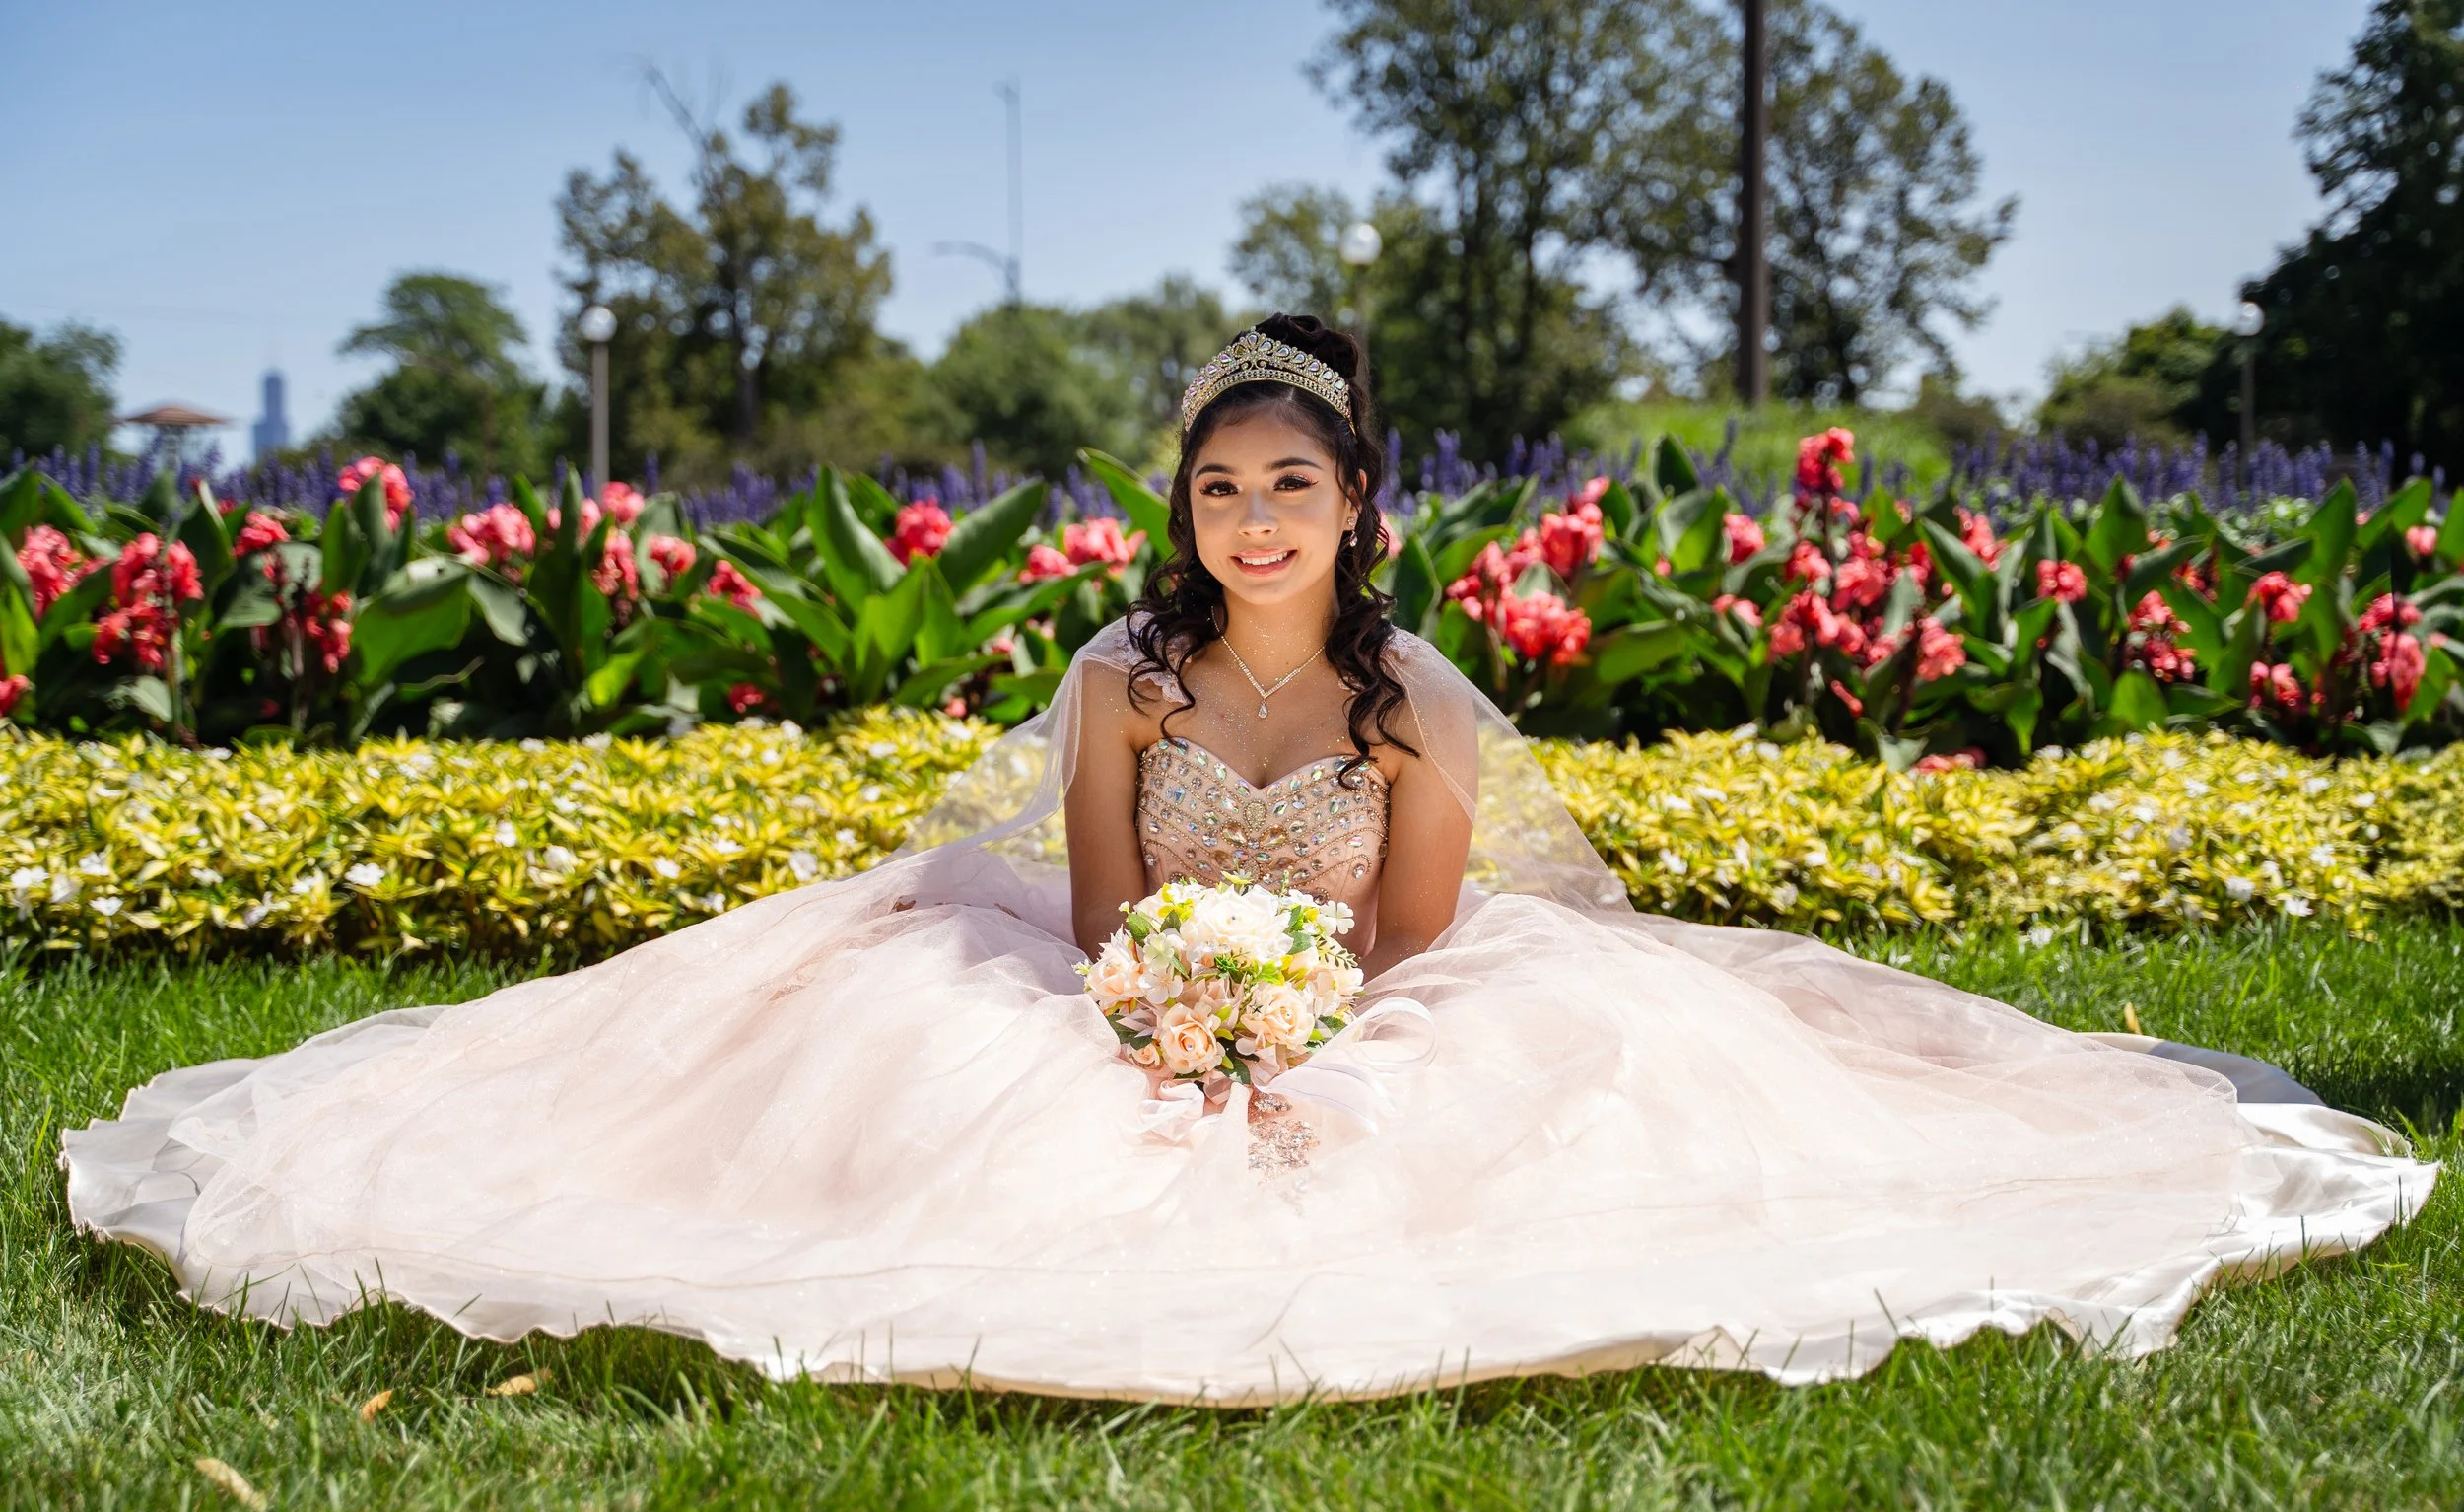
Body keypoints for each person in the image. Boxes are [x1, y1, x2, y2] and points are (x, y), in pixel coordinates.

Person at [61, 317, 2437, 1404]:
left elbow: (1417, 949)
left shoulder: (1415, 710)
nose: (1249, 516)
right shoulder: (1119, 681)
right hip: (1123, 976)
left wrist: (1289, 1022)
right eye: (1216, 484)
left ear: (1356, 509)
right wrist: (1162, 1007)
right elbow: (1089, 909)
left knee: (1536, 1073)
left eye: (1288, 483)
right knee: (912, 1025)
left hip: (1356, 991)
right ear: (1178, 511)